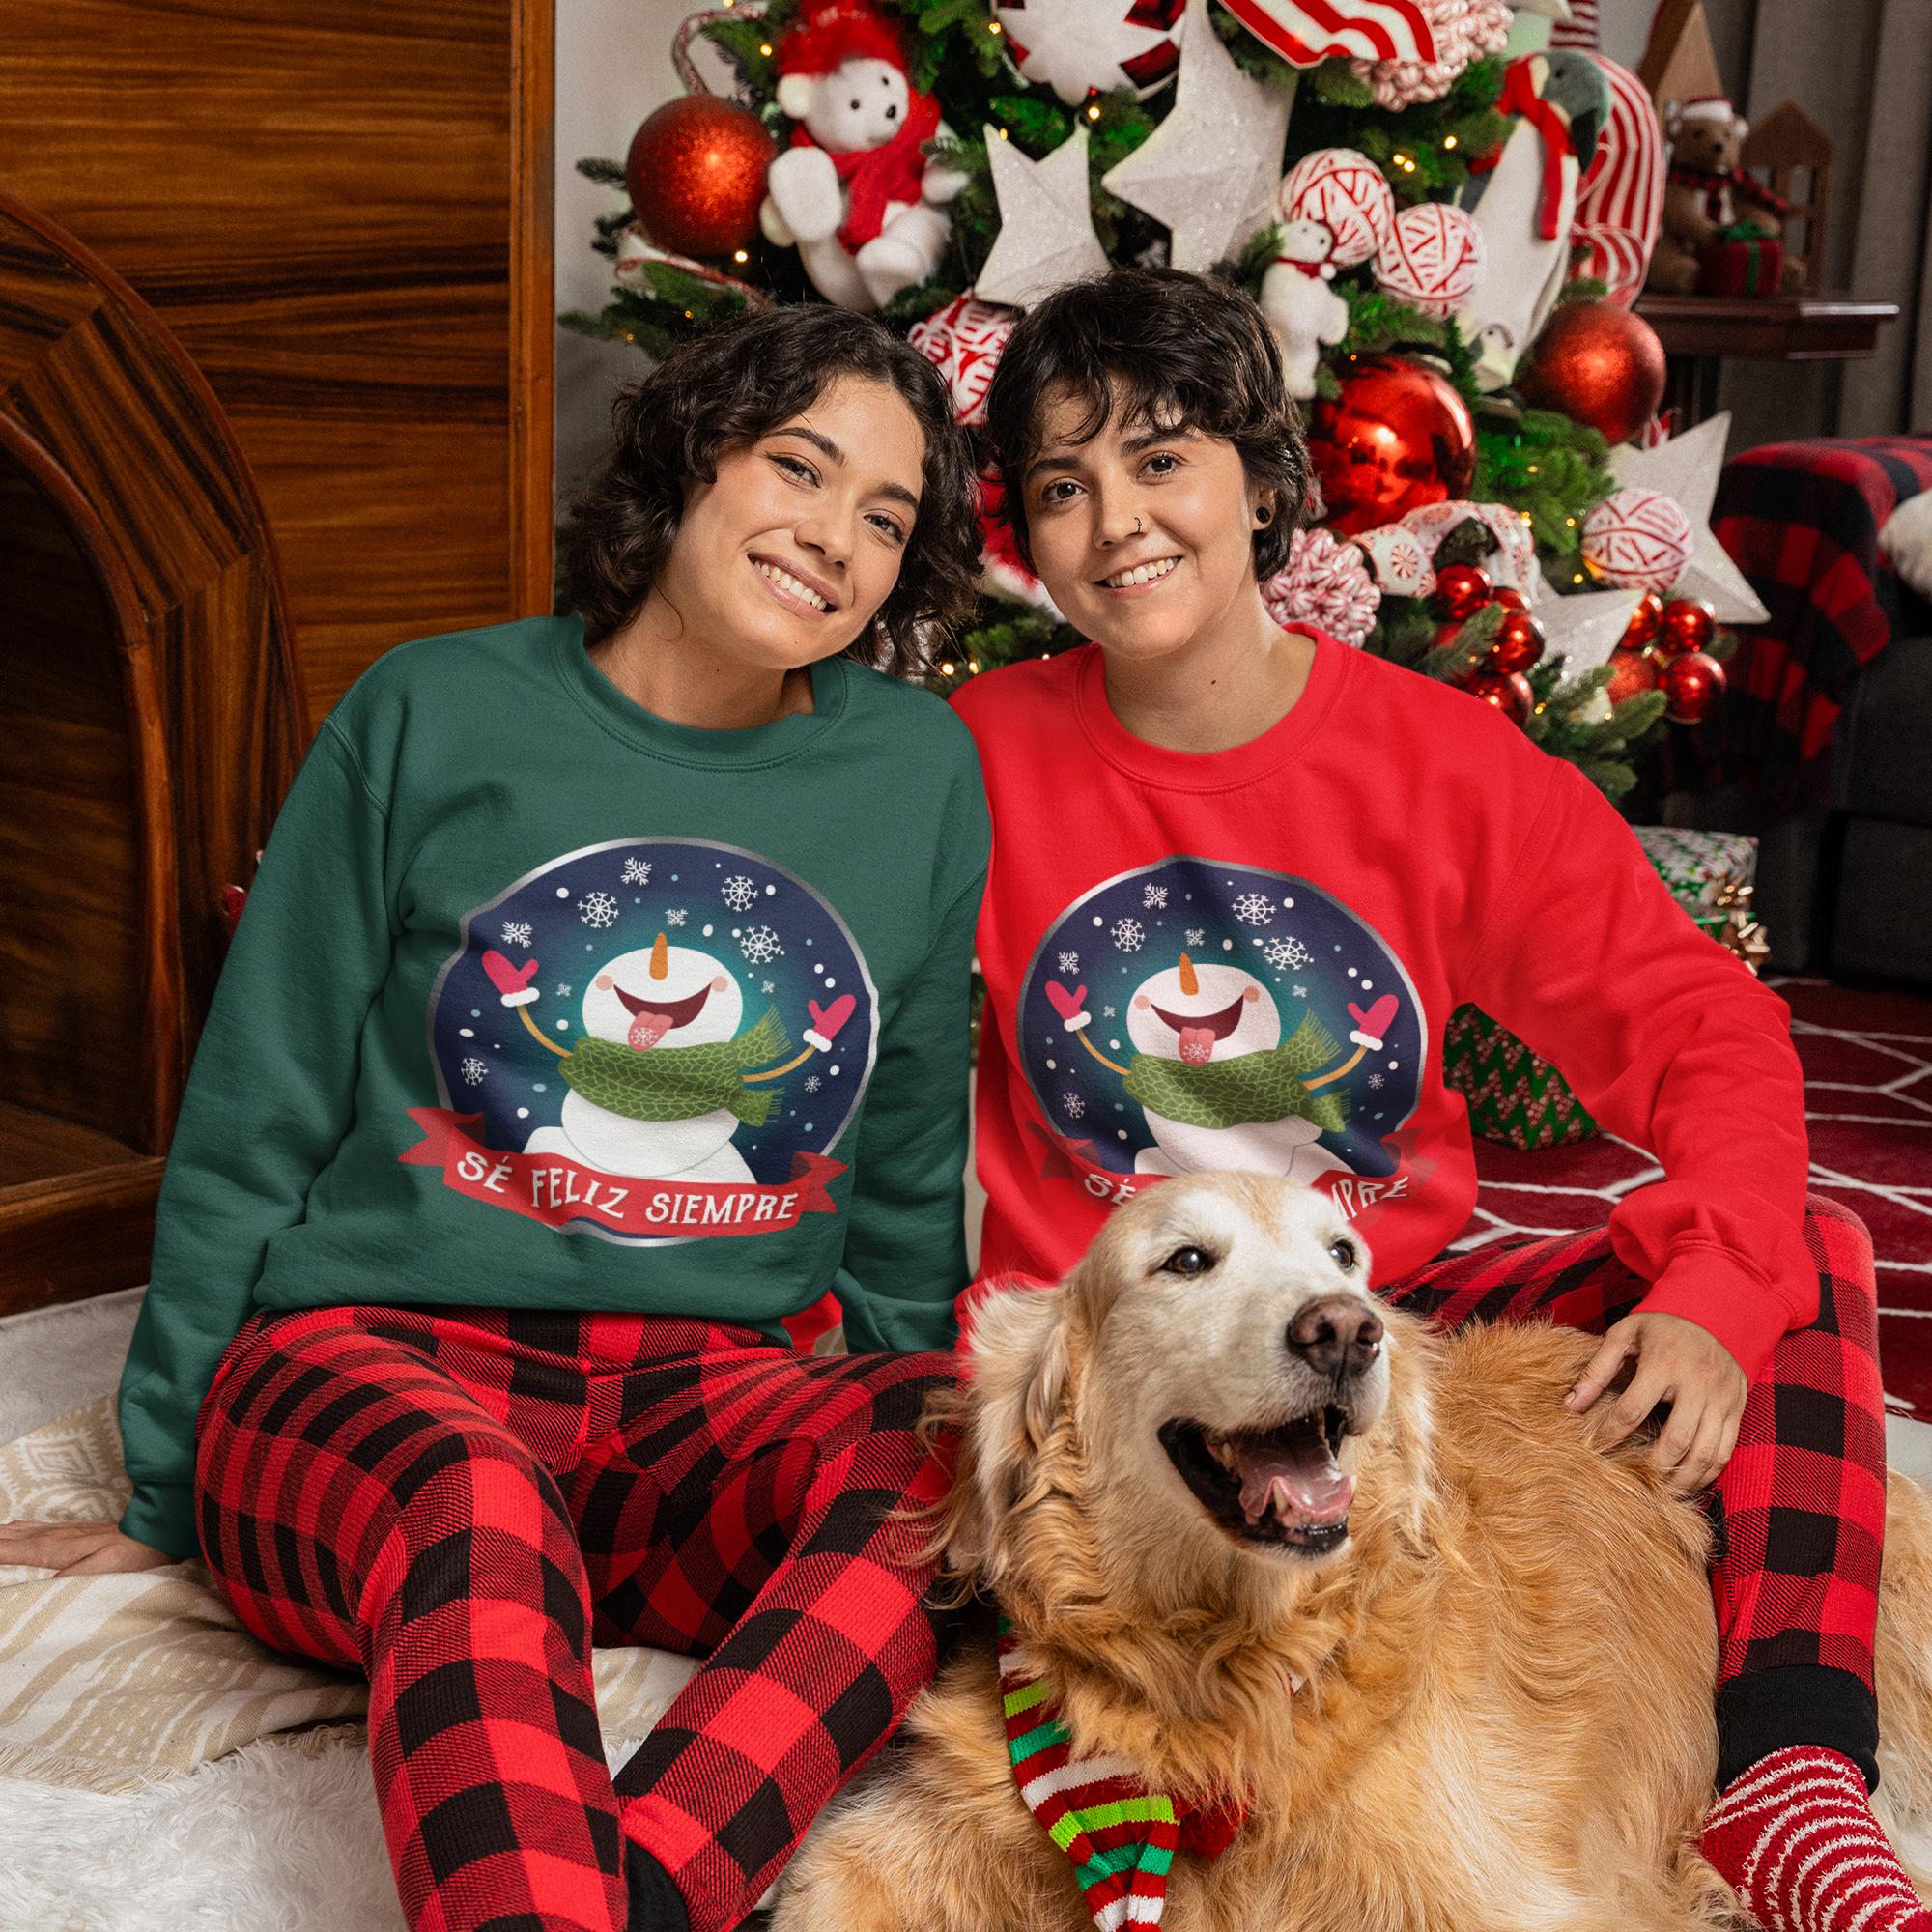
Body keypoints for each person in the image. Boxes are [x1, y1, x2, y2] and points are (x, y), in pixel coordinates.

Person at [0, 302, 990, 1932]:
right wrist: (164, 1486)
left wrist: (891, 1381)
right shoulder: (433, 711)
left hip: (695, 1403)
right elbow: (259, 1100)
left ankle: (633, 1895)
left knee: (956, 1477)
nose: (836, 537)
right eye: (798, 467)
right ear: (686, 463)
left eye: (886, 518)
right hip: (371, 1364)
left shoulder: (917, 771)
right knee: (479, 1508)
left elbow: (900, 1152)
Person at [954, 265, 1910, 1932]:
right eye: (1060, 483)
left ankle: (1792, 1761)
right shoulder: (963, 757)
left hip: (1389, 1307)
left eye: (1159, 458)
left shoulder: (1446, 767)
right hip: (1101, 1341)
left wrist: (1715, 1286)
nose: (1114, 522)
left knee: (1804, 1253)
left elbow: (1704, 1026)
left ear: (1261, 479)